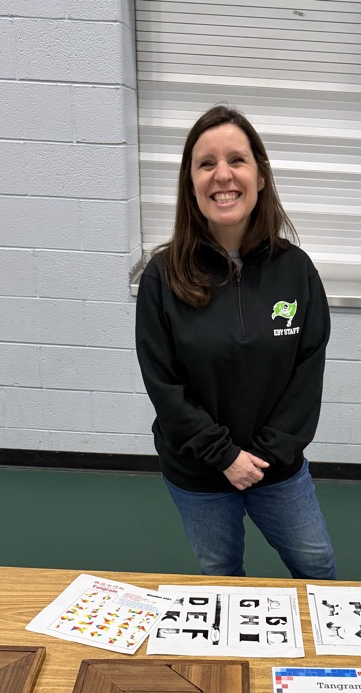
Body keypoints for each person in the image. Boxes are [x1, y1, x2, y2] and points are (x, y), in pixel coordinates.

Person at [135, 105, 336, 579]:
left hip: (277, 469)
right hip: (199, 472)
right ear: (190, 183)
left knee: (317, 567)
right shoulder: (162, 277)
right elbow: (165, 385)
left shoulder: (297, 270)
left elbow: (307, 374)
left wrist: (262, 458)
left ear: (260, 176)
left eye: (236, 160)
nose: (222, 175)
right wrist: (224, 457)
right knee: (221, 574)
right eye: (206, 164)